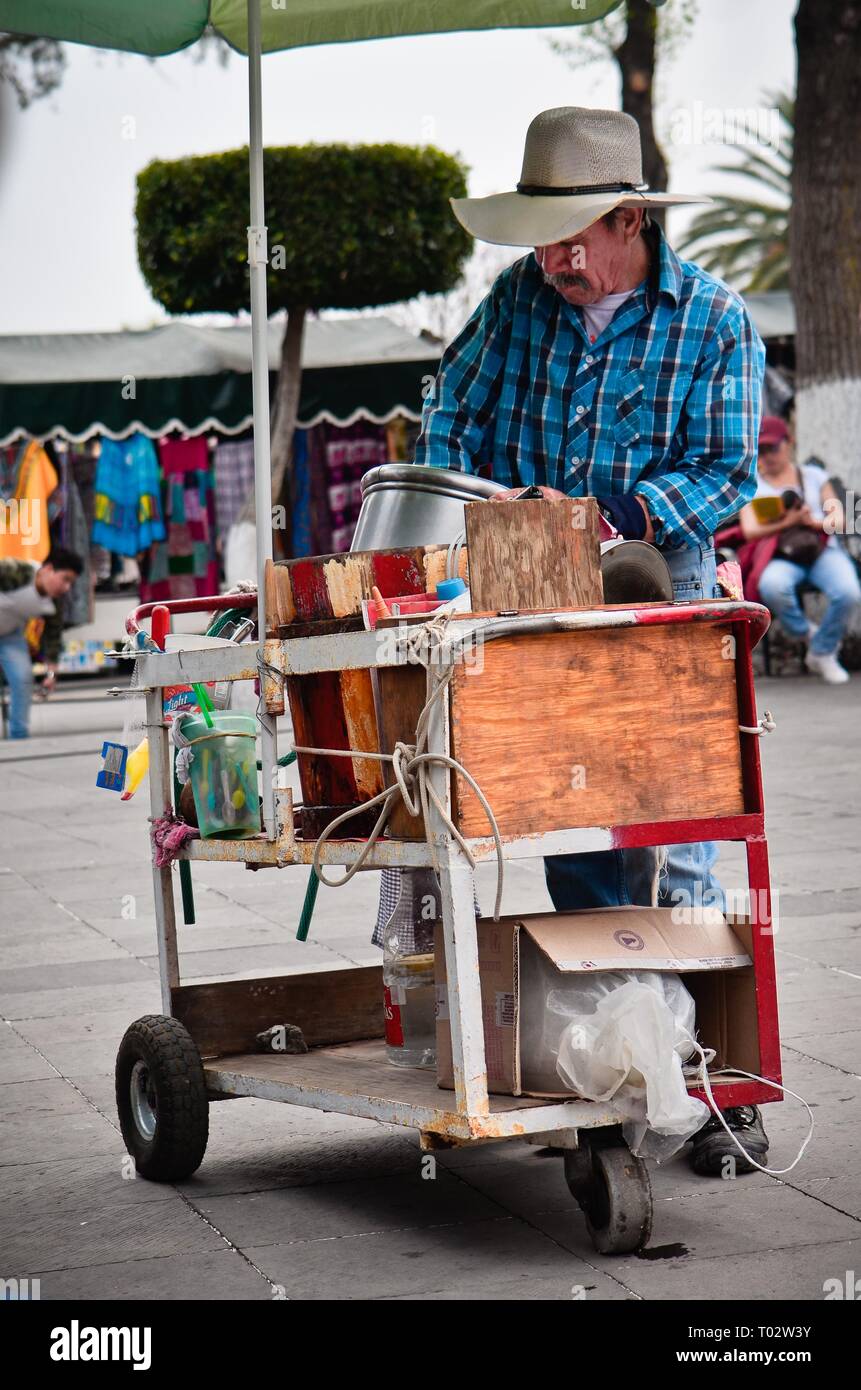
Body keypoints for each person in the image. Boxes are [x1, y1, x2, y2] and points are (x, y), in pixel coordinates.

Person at [410, 106, 768, 1174]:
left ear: (630, 222)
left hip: (663, 604)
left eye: (574, 238)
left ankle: (712, 1085)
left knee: (678, 850)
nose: (555, 260)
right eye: (541, 238)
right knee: (575, 840)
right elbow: (446, 420)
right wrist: (465, 497)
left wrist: (615, 517)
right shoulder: (516, 300)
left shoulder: (713, 318)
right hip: (530, 604)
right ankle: (618, 1066)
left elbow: (726, 472)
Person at [739, 417, 860, 684]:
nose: (768, 456)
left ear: (789, 444)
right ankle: (814, 639)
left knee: (849, 591)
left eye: (774, 448)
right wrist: (787, 521)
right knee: (772, 585)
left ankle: (821, 651)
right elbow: (749, 531)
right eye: (763, 449)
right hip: (781, 553)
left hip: (820, 550)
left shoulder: (814, 477)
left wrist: (811, 521)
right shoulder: (753, 484)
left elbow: (838, 520)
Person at [0, 547, 83, 738]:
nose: (66, 587)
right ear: (47, 569)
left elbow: (53, 637)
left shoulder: (54, 602)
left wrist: (51, 673)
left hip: (10, 635)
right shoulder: (15, 570)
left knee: (22, 677)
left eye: (71, 583)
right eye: (65, 579)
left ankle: (19, 735)